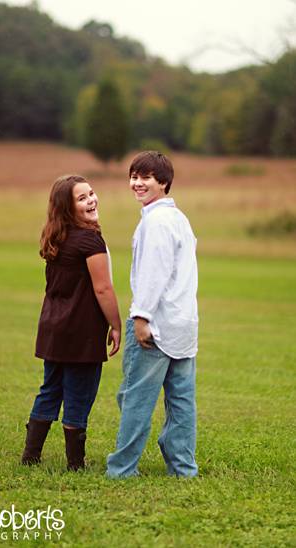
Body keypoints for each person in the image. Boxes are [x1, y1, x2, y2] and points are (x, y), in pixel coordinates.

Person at [106, 151, 199, 479]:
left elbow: (153, 273)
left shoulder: (157, 222)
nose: (137, 183)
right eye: (133, 176)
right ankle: (183, 469)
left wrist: (141, 318)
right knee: (182, 402)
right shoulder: (178, 219)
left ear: (164, 182)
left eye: (145, 177)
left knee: (135, 398)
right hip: (183, 325)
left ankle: (122, 469)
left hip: (156, 325)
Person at [21, 174, 121, 470]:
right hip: (80, 330)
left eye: (91, 193)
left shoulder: (56, 235)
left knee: (50, 388)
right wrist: (115, 325)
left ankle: (31, 456)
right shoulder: (90, 239)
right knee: (80, 391)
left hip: (53, 328)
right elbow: (103, 288)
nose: (91, 200)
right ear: (68, 208)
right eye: (82, 198)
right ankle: (75, 463)